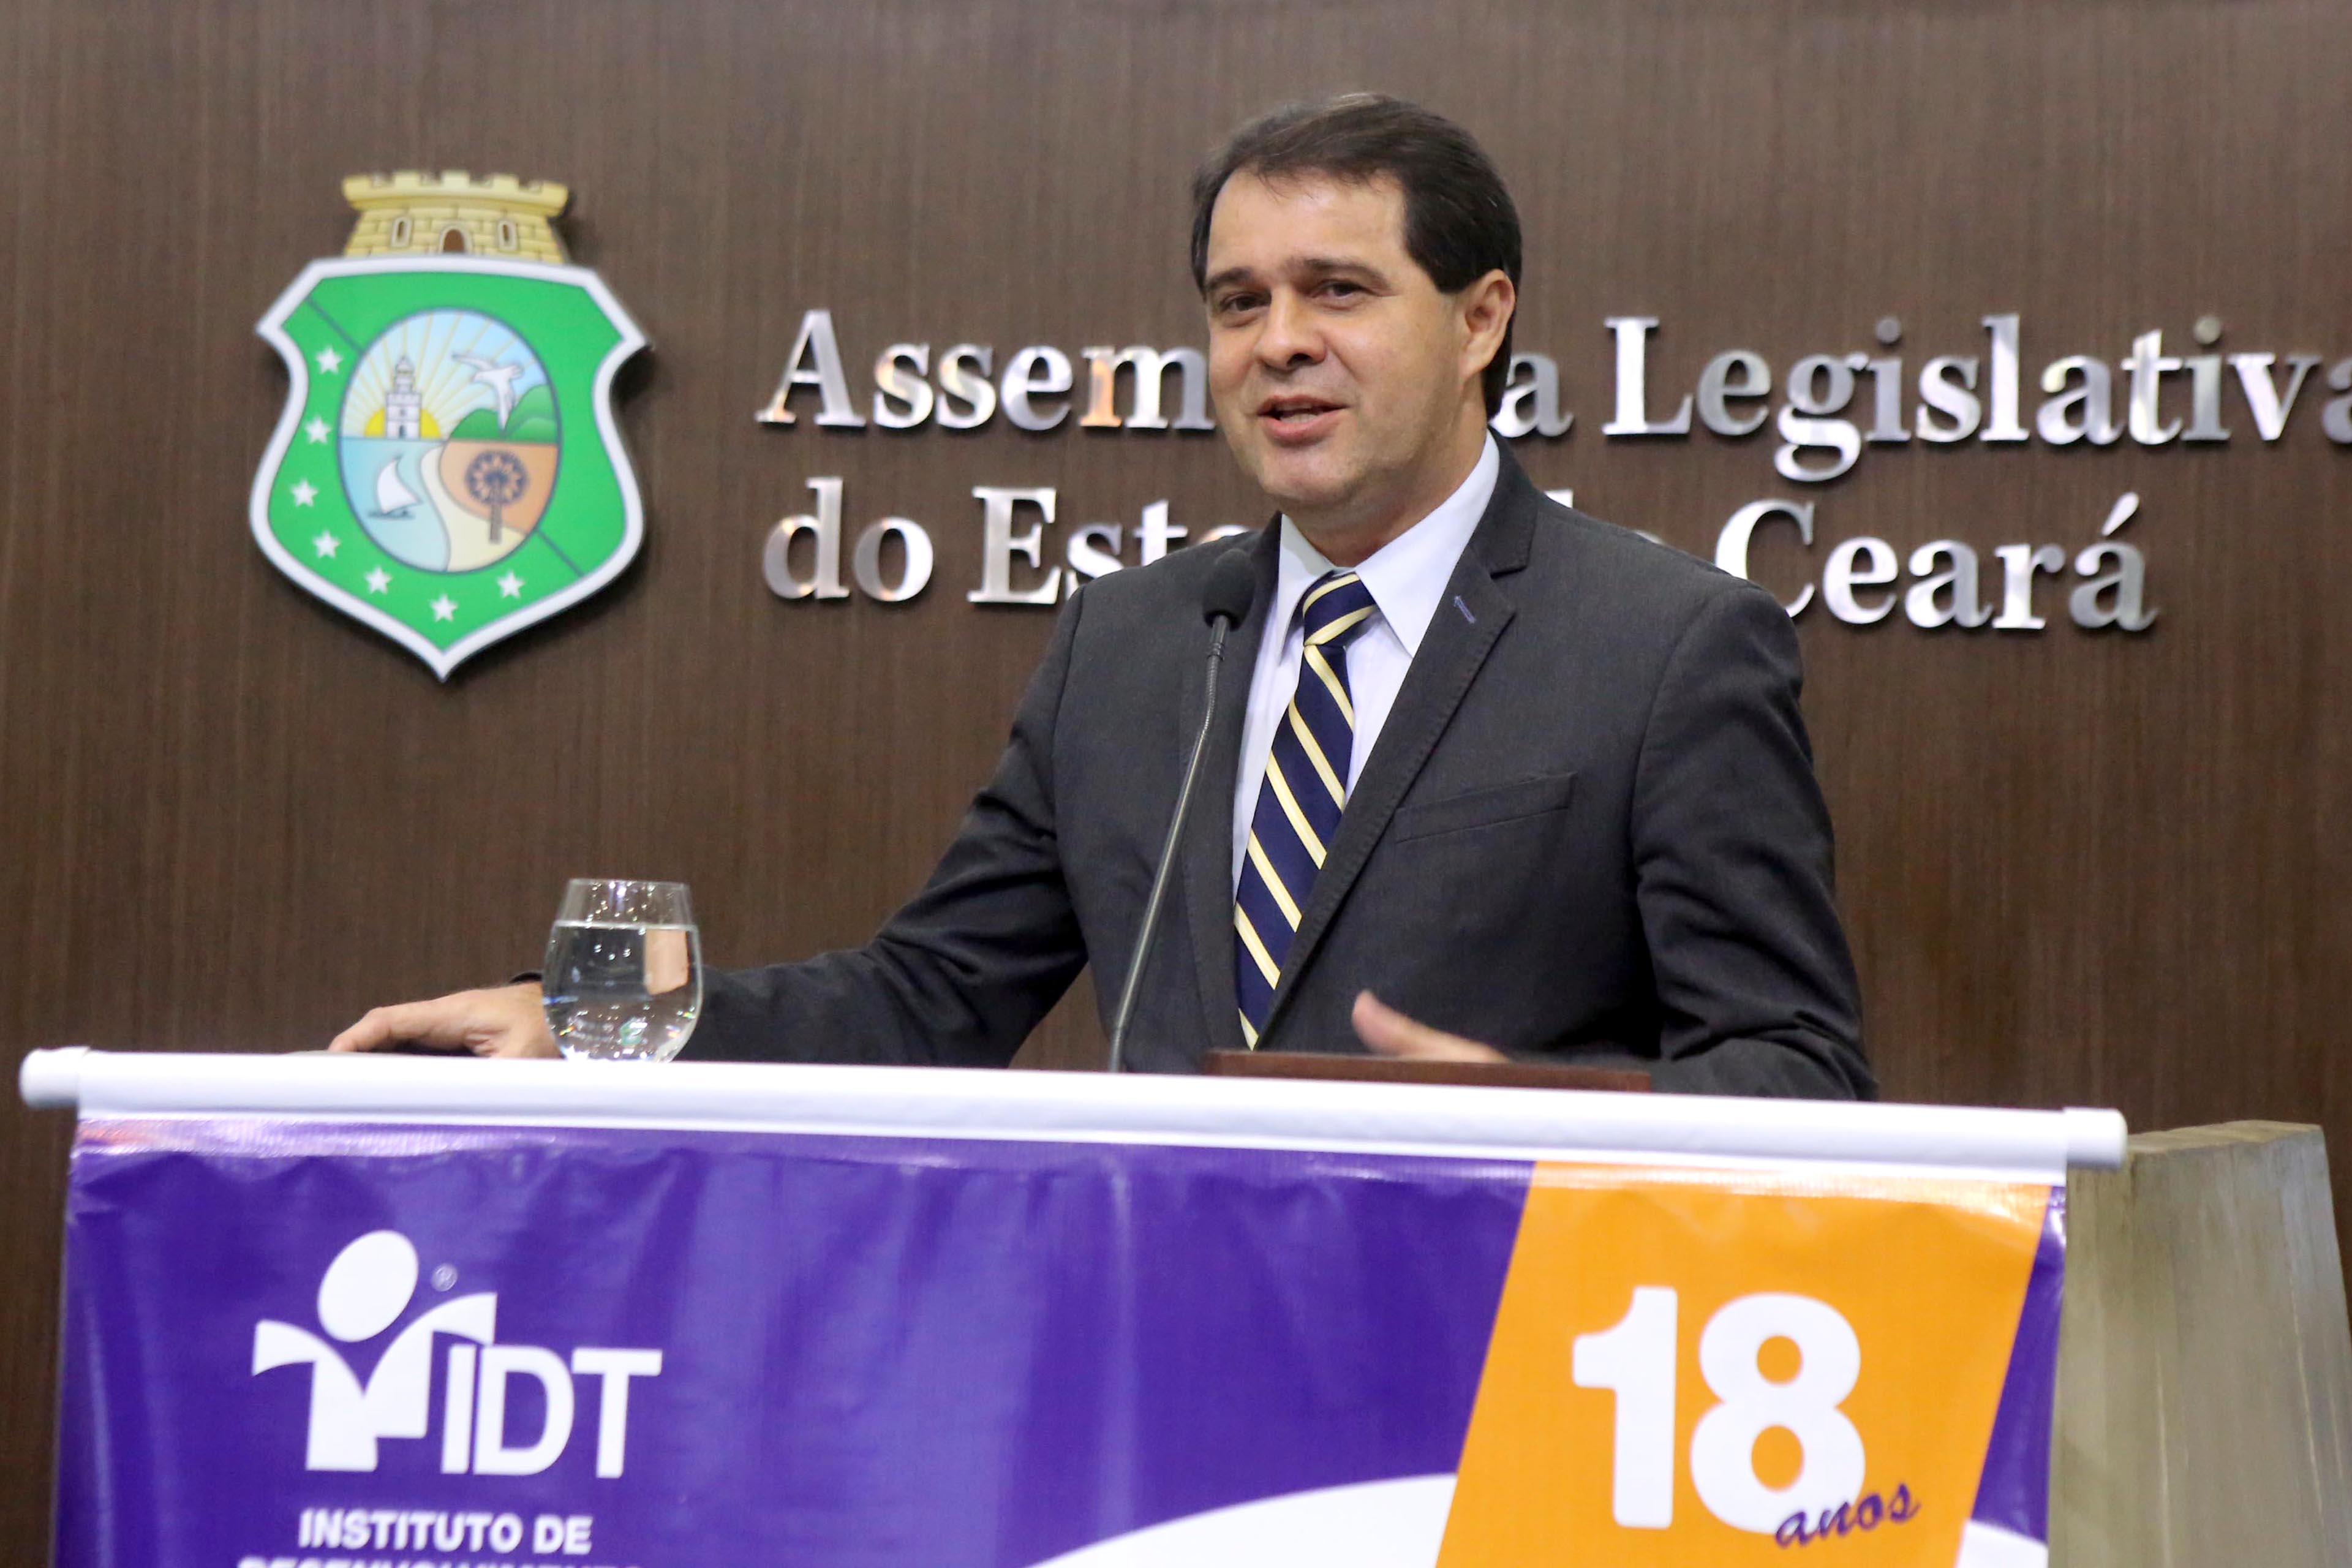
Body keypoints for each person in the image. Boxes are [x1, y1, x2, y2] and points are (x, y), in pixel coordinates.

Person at [334, 94, 1873, 1098]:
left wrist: (1532, 1114)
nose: (1280, 341)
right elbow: (928, 995)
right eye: (1239, 302)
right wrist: (592, 1017)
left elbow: (1800, 1066)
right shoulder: (1136, 642)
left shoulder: (1665, 646)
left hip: (1496, 1359)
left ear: (1480, 322)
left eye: (1338, 290)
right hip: (1153, 1362)